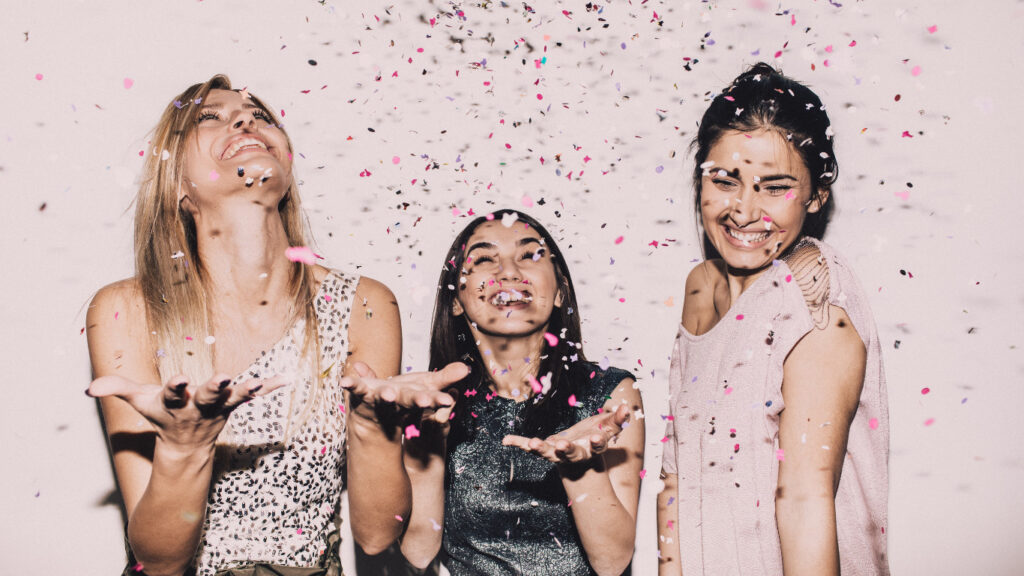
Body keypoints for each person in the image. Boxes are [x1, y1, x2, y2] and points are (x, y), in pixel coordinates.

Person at [86, 75, 464, 576]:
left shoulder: (364, 303)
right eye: (209, 117)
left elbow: (377, 535)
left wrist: (372, 427)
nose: (245, 120)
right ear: (177, 184)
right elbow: (159, 559)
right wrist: (185, 449)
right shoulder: (128, 309)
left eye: (259, 115)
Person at [657, 63, 889, 576]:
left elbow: (805, 500)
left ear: (815, 196)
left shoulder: (815, 302)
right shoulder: (700, 286)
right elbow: (676, 482)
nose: (744, 210)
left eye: (774, 187)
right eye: (726, 180)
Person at [398, 210, 645, 576]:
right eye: (483, 259)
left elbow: (612, 562)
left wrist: (580, 467)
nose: (509, 272)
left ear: (560, 290)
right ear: (455, 298)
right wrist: (428, 451)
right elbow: (418, 554)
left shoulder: (610, 396)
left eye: (529, 255)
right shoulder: (434, 402)